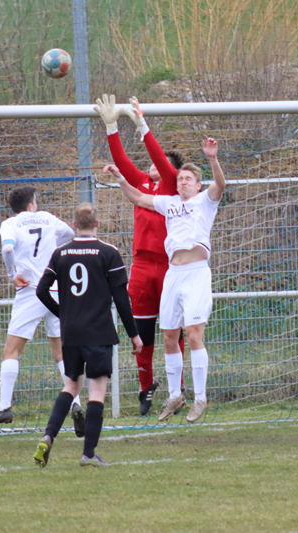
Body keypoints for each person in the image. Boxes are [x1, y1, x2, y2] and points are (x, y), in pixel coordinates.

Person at [106, 135, 225, 423]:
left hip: (196, 273)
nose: (183, 182)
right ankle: (175, 395)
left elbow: (220, 184)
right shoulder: (168, 203)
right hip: (173, 274)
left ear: (197, 185)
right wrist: (121, 177)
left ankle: (200, 398)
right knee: (169, 336)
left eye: (188, 179)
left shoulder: (204, 201)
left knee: (194, 335)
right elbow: (137, 197)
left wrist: (212, 158)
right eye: (181, 178)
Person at [94, 94, 186, 415]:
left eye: (161, 163)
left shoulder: (173, 185)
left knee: (175, 333)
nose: (152, 166)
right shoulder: (143, 184)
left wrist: (143, 125)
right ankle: (145, 389)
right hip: (143, 268)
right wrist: (111, 126)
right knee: (143, 337)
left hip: (172, 268)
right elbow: (121, 162)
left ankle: (179, 388)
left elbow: (160, 158)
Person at [32, 203, 141, 467]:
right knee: (96, 391)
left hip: (71, 332)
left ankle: (48, 435)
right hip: (99, 331)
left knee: (71, 386)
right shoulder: (108, 252)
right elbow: (121, 299)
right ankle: (88, 454)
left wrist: (63, 313)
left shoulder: (61, 253)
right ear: (98, 224)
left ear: (74, 224)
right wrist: (134, 335)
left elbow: (41, 291)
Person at [0, 186, 82, 434]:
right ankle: (76, 404)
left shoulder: (10, 223)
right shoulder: (47, 218)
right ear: (31, 204)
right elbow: (69, 233)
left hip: (31, 291)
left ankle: (4, 407)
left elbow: (7, 249)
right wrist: (50, 247)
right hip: (56, 289)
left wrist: (12, 274)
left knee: (11, 350)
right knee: (60, 352)